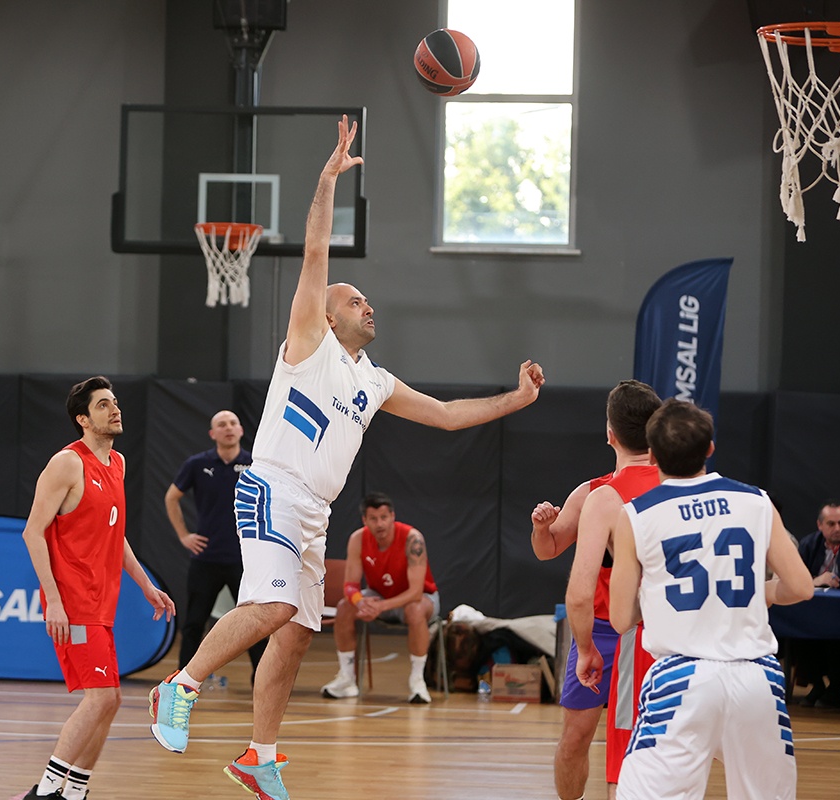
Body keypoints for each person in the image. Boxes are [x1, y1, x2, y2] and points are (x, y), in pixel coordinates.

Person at [148, 116, 546, 800]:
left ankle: (258, 756)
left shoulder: (377, 381)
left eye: (368, 300)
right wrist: (328, 178)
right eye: (355, 299)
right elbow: (315, 253)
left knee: (298, 633)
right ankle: (178, 687)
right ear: (328, 316)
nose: (368, 305)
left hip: (315, 511)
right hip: (272, 489)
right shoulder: (309, 341)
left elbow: (448, 416)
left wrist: (517, 398)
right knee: (274, 608)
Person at [608, 399, 814, 800]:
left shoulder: (636, 514)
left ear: (652, 456)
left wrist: (658, 597)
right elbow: (801, 587)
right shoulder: (757, 501)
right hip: (756, 678)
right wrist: (761, 593)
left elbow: (620, 618)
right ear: (710, 448)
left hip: (681, 677)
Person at [20, 377, 175, 800]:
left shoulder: (117, 463)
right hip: (73, 601)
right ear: (83, 419)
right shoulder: (67, 463)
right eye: (103, 405)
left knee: (110, 700)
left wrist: (146, 584)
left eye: (115, 402)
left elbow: (115, 534)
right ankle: (46, 791)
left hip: (101, 600)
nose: (115, 409)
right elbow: (33, 532)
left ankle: (76, 791)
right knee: (102, 698)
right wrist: (54, 601)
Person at [538, 380, 661, 800]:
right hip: (601, 629)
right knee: (576, 738)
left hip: (645, 631)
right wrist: (541, 528)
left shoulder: (664, 488)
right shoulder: (594, 493)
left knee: (635, 744)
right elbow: (547, 548)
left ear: (610, 434)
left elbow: (576, 590)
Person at [164, 409, 265, 679]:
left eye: (233, 423)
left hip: (244, 560)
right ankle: (182, 681)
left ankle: (262, 680)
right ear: (212, 433)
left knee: (255, 624)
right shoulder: (197, 464)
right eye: (222, 424)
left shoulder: (256, 463)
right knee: (194, 623)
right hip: (206, 559)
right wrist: (184, 535)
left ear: (241, 430)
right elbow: (171, 497)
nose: (228, 428)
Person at [321, 492, 440, 704]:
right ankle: (347, 679)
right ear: (364, 520)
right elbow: (350, 586)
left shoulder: (413, 539)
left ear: (392, 516)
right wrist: (360, 602)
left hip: (420, 597)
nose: (380, 524)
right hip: (380, 595)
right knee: (344, 606)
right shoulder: (358, 539)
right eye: (373, 519)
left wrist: (380, 607)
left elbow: (415, 592)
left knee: (415, 610)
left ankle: (417, 680)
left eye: (384, 517)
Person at [792, 500, 840, 708]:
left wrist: (815, 580)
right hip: (813, 610)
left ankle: (835, 689)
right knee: (799, 631)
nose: (837, 528)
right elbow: (795, 578)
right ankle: (817, 685)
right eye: (831, 524)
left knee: (839, 636)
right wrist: (818, 580)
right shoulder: (809, 543)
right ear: (820, 525)